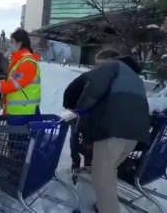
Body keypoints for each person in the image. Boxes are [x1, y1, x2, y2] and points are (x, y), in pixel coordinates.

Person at [63, 49, 150, 213]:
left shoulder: (112, 66)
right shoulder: (132, 75)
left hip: (115, 130)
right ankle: (106, 205)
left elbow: (93, 88)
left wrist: (81, 109)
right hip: (135, 134)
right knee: (109, 171)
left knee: (100, 176)